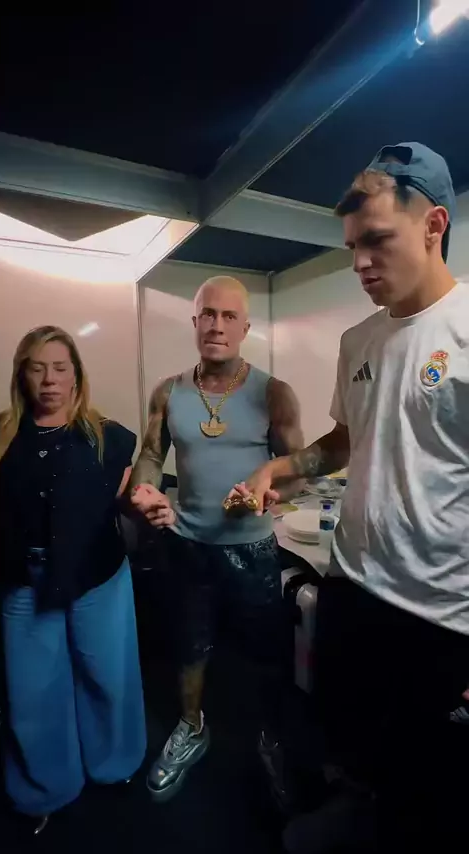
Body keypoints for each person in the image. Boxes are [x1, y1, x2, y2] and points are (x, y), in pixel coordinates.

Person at [227, 144, 469, 849]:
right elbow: (343, 441)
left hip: (440, 615)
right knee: (352, 743)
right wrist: (281, 469)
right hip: (355, 584)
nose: (359, 262)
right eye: (351, 247)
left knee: (431, 786)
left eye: (377, 241)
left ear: (434, 225)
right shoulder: (359, 340)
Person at [130, 276, 304, 807]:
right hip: (187, 546)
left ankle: (271, 737)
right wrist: (144, 490)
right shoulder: (169, 391)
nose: (217, 325)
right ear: (195, 321)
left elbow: (296, 473)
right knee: (189, 645)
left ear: (245, 327)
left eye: (229, 317)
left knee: (266, 656)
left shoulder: (274, 393)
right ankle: (191, 726)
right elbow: (152, 455)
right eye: (208, 314)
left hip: (252, 550)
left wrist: (269, 493)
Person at [0, 326, 147, 835]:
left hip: (97, 576)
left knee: (107, 676)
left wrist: (146, 503)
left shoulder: (108, 437)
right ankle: (45, 789)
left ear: (76, 376)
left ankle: (115, 765)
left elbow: (127, 498)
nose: (50, 380)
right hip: (24, 581)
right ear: (22, 375)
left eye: (60, 368)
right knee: (33, 692)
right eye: (37, 368)